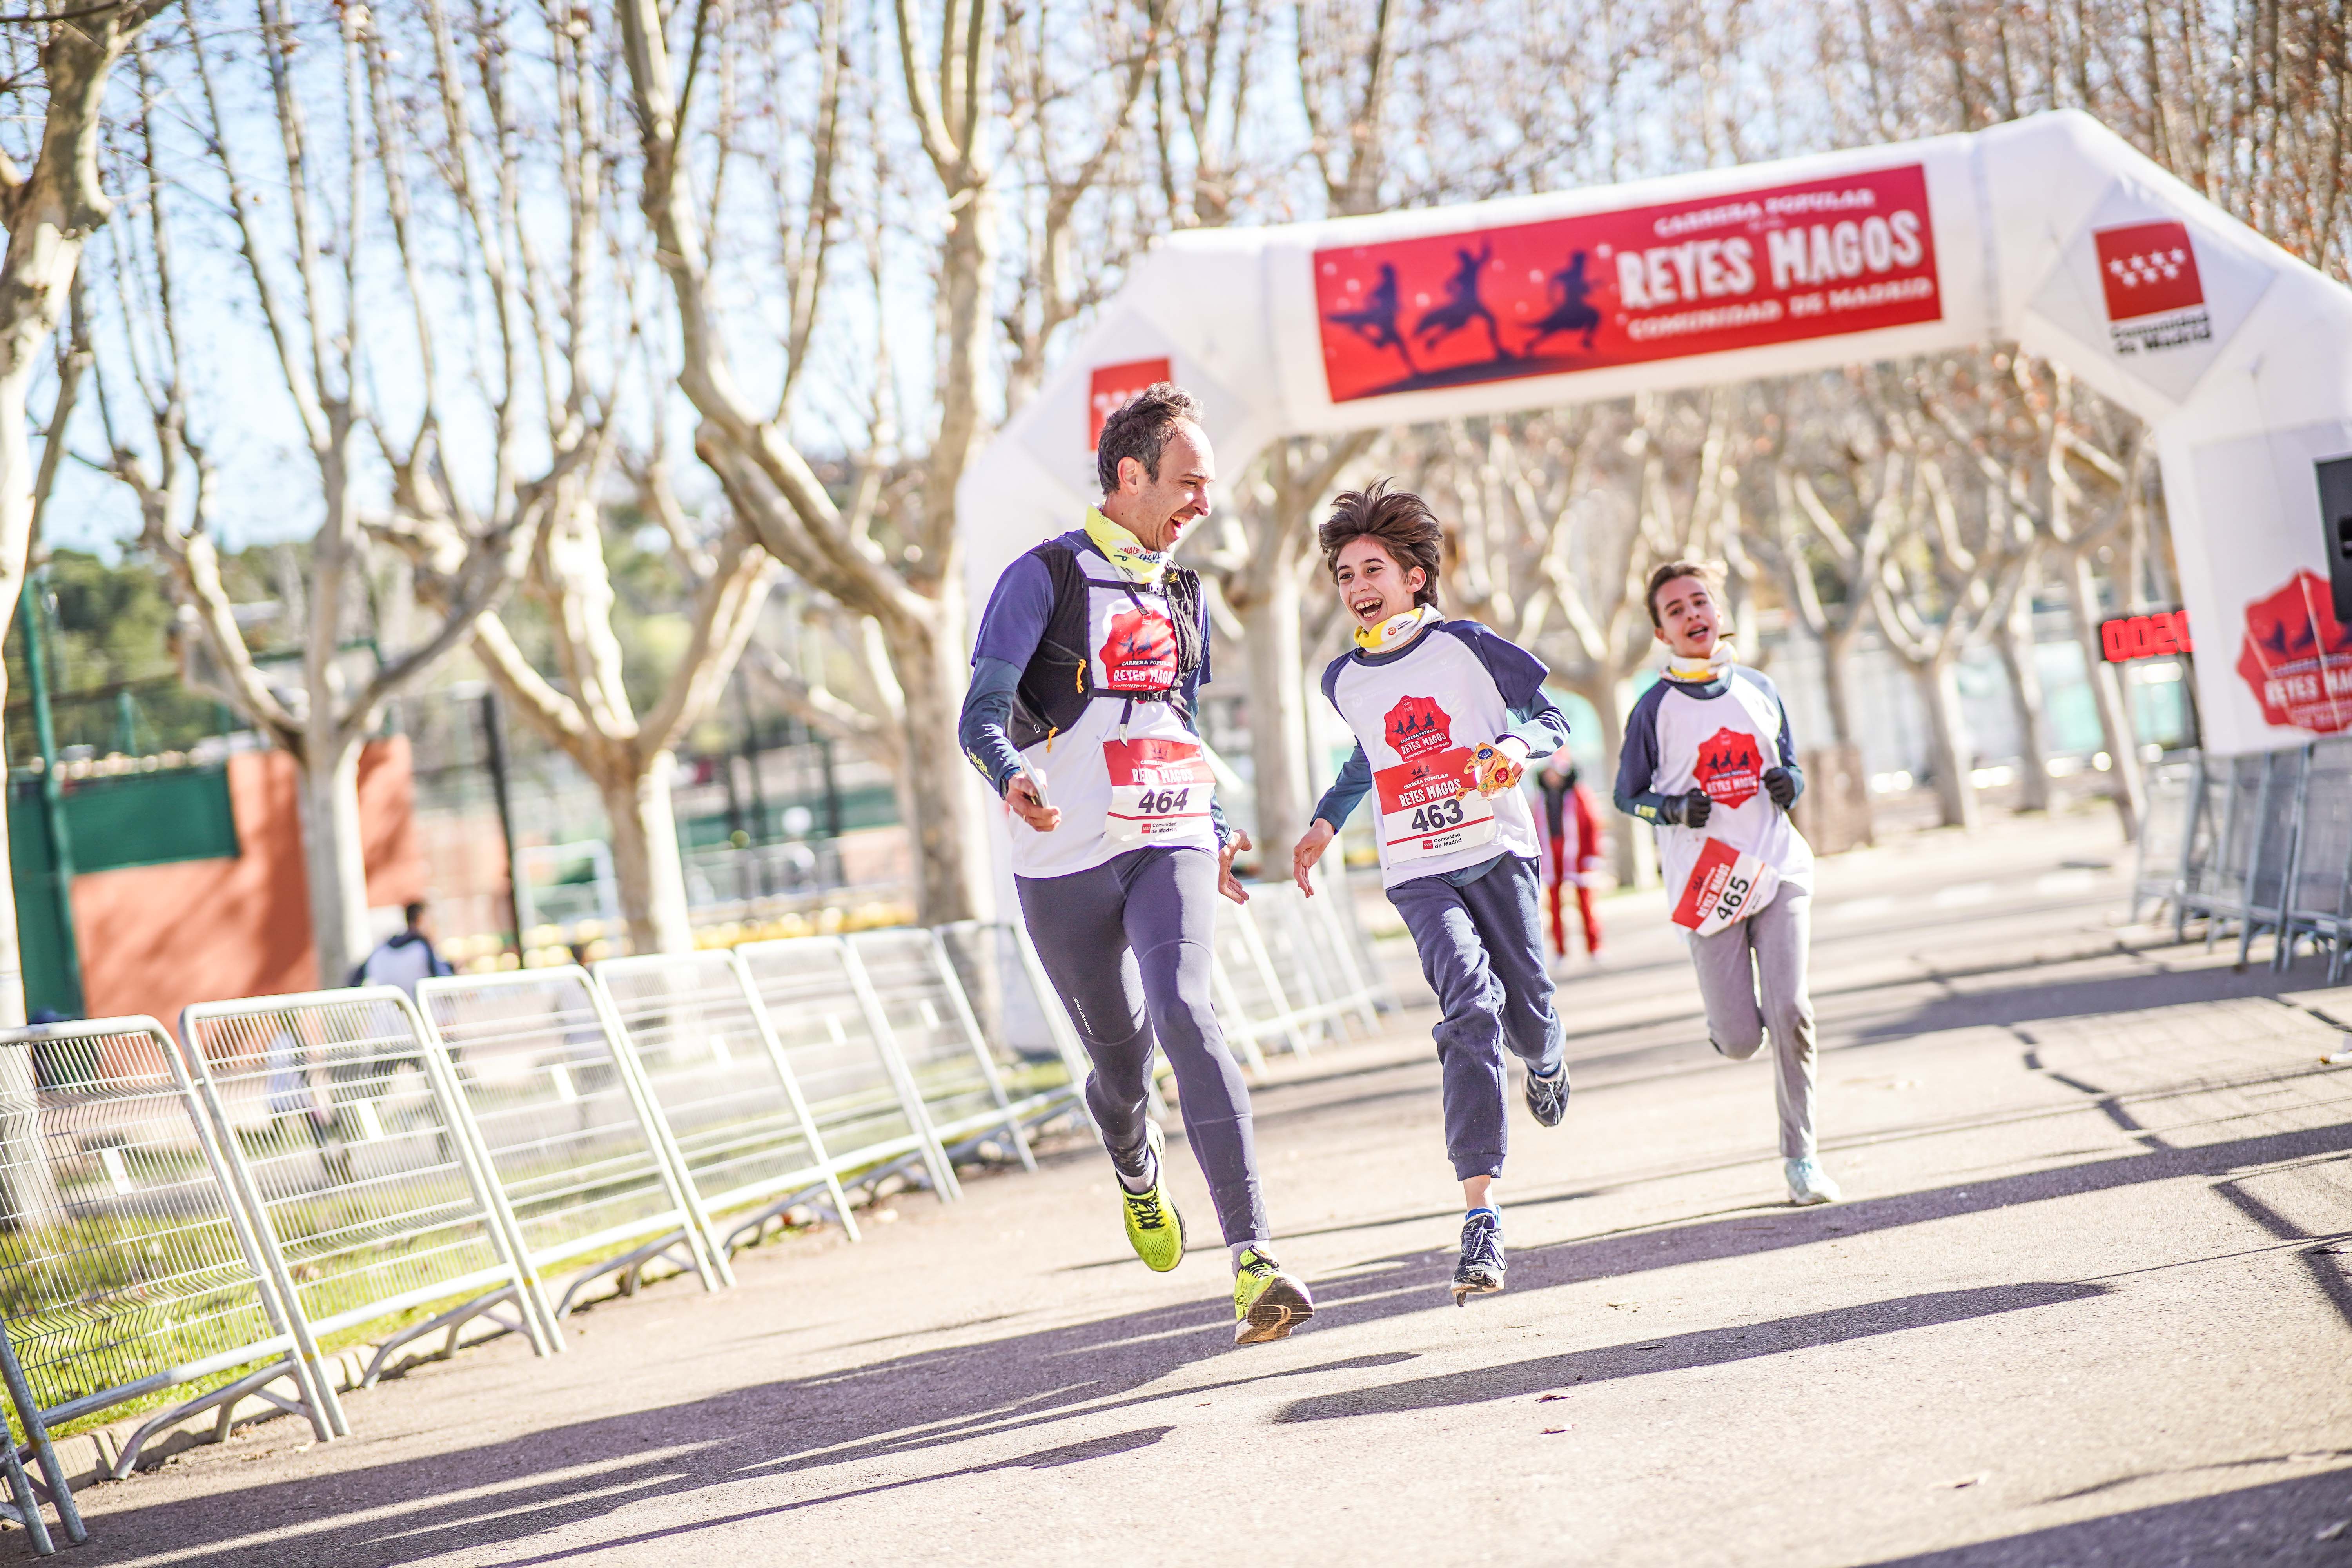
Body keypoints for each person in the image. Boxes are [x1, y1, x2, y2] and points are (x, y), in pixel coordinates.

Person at [957, 382, 1314, 1347]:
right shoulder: (1044, 577)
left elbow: (1176, 723)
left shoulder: (1183, 590)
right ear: (1129, 474)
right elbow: (979, 712)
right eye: (1189, 482)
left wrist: (1220, 822)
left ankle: (1255, 1261)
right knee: (1121, 1068)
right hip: (1062, 859)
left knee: (1189, 1011)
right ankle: (1133, 1164)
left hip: (1170, 839)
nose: (1205, 501)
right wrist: (1011, 773)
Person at [1290, 480, 1572, 1305]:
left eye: (1371, 568)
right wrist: (1324, 823)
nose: (1356, 586)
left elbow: (1548, 718)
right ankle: (1481, 1212)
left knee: (1528, 1010)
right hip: (1417, 869)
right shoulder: (1344, 677)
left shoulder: (1467, 646)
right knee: (1469, 1008)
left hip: (1496, 849)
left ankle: (1548, 1057)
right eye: (1344, 574)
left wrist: (1515, 748)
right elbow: (1366, 760)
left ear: (1415, 575)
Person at [1612, 561, 1840, 1206]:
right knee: (1742, 1041)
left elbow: (1789, 767)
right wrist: (1674, 809)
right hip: (1708, 886)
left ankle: (1802, 1159)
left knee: (1793, 1009)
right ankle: (1728, 1019)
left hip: (1778, 867)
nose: (1692, 616)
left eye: (1699, 602)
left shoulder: (1760, 687)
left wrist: (1790, 785)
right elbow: (1629, 796)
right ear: (1662, 633)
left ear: (1719, 610)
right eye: (1676, 611)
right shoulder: (1654, 708)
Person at [1535, 759, 1604, 961]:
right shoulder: (1540, 799)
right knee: (1554, 904)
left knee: (1586, 902)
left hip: (1577, 854)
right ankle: (1559, 951)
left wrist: (1592, 855)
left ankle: (1595, 947)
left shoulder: (1579, 794)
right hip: (1550, 854)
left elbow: (1592, 824)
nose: (1552, 777)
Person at [349, 901, 455, 999]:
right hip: (419, 1014)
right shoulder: (422, 948)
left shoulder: (381, 950)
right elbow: (445, 981)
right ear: (421, 920)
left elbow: (354, 981)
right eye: (433, 922)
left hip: (386, 1016)